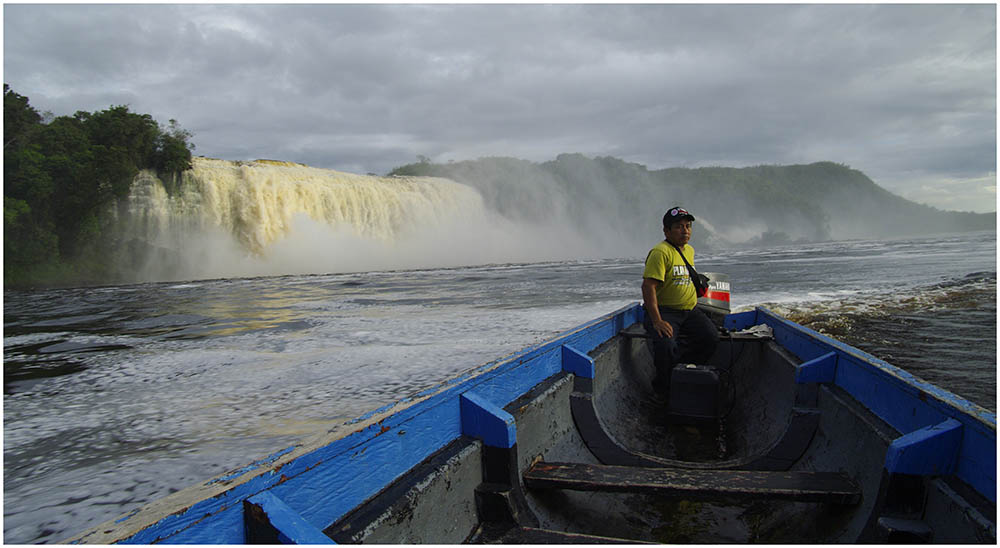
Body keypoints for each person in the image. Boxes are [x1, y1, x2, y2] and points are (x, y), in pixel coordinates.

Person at [641, 206, 719, 397]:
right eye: (678, 226)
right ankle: (663, 388)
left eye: (688, 226)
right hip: (665, 312)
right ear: (667, 231)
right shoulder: (660, 252)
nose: (685, 230)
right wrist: (657, 321)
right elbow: (648, 287)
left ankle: (681, 370)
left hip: (690, 311)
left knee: (710, 338)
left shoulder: (689, 250)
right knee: (665, 345)